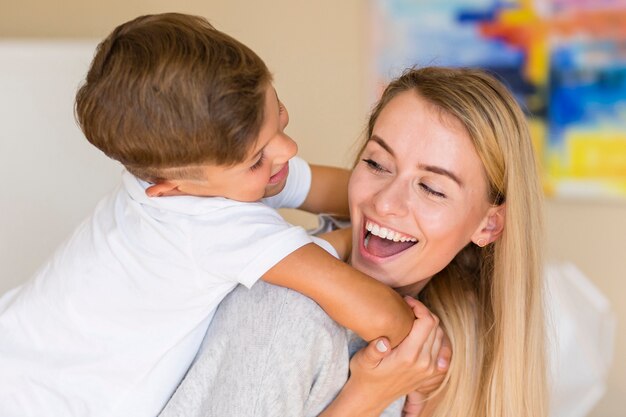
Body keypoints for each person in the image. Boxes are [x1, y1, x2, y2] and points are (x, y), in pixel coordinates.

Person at [0, 13, 425, 417]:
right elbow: (380, 316)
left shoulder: (196, 172)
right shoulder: (212, 227)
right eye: (259, 159)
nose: (287, 150)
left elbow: (343, 192)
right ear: (173, 189)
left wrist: (372, 220)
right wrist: (426, 369)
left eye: (278, 114)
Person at [160, 66, 548, 417]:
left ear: (490, 225)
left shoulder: (451, 340)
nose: (384, 202)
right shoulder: (287, 311)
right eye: (377, 164)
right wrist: (367, 398)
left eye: (431, 188)